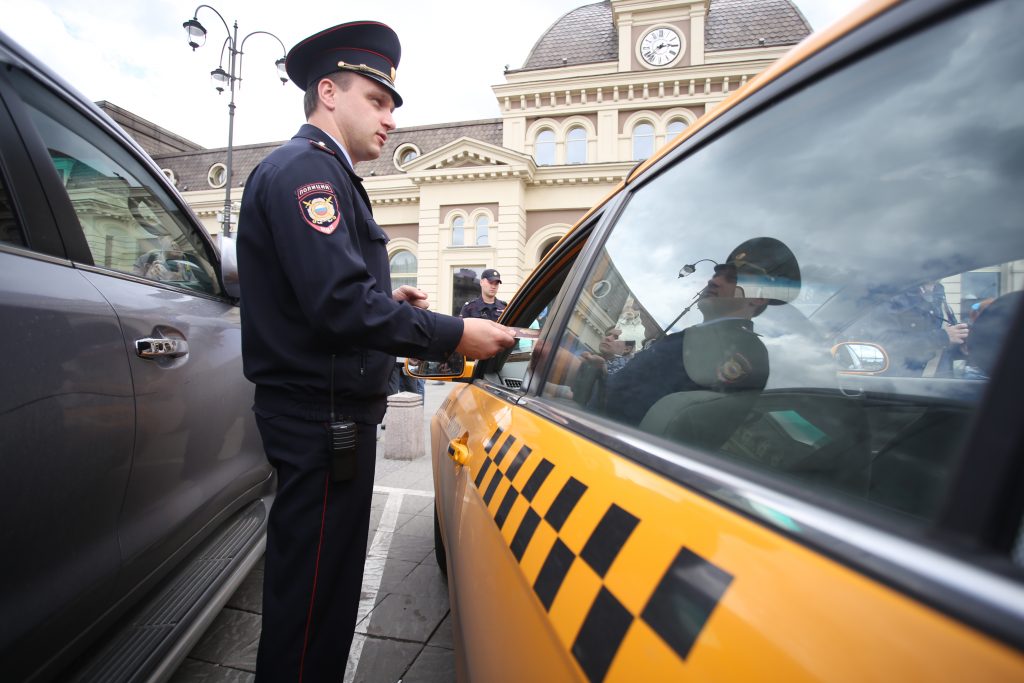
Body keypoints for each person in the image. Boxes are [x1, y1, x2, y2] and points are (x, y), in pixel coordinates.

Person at [236, 21, 513, 682]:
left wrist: (395, 299)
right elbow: (337, 305)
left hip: (327, 413)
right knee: (313, 602)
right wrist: (452, 332)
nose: (390, 119)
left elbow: (330, 293)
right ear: (327, 92)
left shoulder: (324, 171)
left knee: (322, 592)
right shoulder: (309, 170)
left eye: (393, 105)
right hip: (322, 418)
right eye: (377, 100)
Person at [602, 237, 800, 425]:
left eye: (731, 279)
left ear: (757, 298)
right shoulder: (705, 337)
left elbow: (633, 403)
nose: (713, 281)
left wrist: (590, 379)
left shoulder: (737, 350)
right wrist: (598, 370)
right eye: (716, 274)